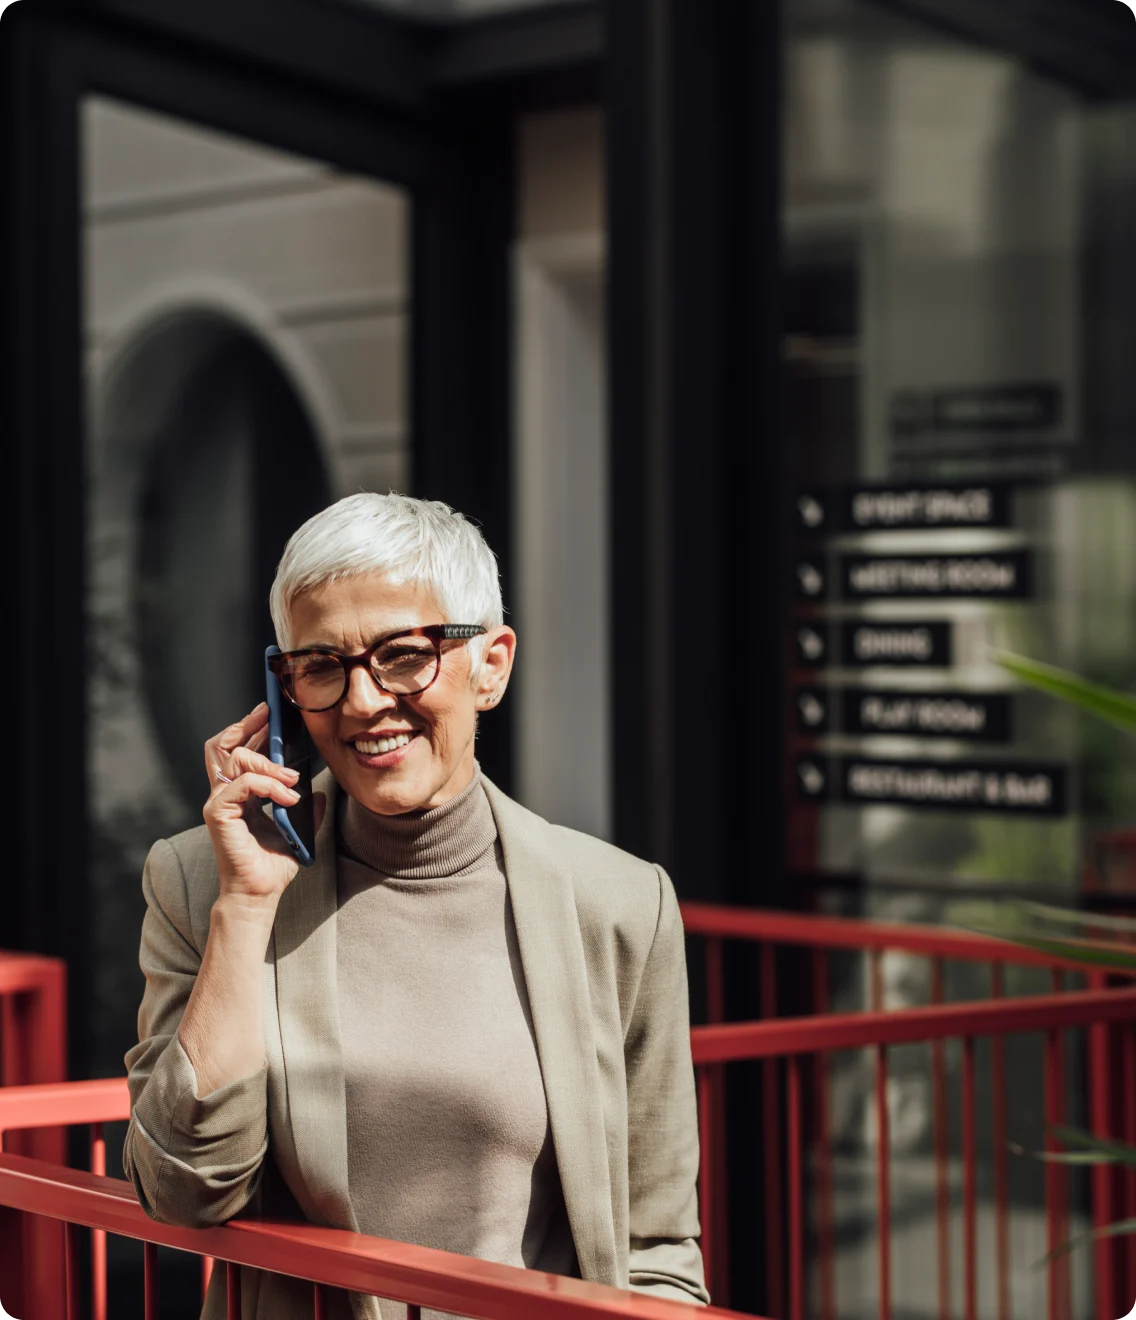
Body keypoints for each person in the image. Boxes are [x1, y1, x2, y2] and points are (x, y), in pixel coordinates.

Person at [123, 492, 708, 1320]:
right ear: (286, 688)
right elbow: (185, 1189)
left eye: (402, 655)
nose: (362, 702)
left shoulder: (618, 904)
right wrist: (246, 906)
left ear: (492, 665)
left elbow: (657, 1246)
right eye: (321, 665)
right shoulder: (201, 881)